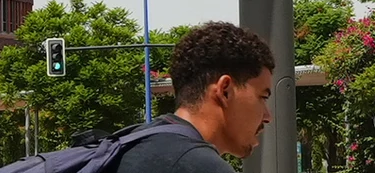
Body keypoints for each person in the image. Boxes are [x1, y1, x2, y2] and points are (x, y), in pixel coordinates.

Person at [115, 21, 275, 173]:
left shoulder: (131, 144)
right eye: (262, 97)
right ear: (225, 91)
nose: (268, 117)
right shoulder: (198, 166)